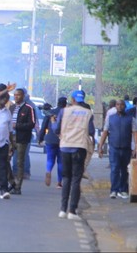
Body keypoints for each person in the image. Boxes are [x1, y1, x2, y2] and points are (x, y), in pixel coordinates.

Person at [53, 90, 95, 220]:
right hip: (80, 147)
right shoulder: (88, 113)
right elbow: (92, 131)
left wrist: (54, 122)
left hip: (65, 146)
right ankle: (72, 211)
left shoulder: (64, 111)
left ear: (72, 99)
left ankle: (62, 210)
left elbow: (56, 129)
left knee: (66, 178)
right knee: (76, 179)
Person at [98, 99, 137, 199]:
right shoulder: (110, 118)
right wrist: (100, 146)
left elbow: (135, 133)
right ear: (115, 106)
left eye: (122, 105)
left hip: (126, 148)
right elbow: (105, 132)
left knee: (124, 169)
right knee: (114, 169)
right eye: (118, 105)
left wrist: (136, 147)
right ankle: (114, 190)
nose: (120, 106)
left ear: (125, 106)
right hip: (114, 147)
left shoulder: (131, 119)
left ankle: (123, 190)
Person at [8, 88, 36, 195]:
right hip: (10, 137)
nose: (16, 97)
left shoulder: (29, 108)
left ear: (23, 96)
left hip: (21, 138)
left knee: (19, 162)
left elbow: (32, 123)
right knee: (4, 160)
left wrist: (18, 126)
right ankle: (12, 182)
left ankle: (18, 186)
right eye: (14, 95)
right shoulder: (11, 107)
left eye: (18, 95)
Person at [39, 97, 67, 188]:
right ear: (65, 104)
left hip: (50, 139)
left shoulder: (50, 113)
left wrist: (40, 138)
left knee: (50, 159)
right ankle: (59, 182)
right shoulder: (67, 114)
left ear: (58, 103)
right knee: (60, 162)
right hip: (62, 140)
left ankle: (48, 170)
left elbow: (43, 127)